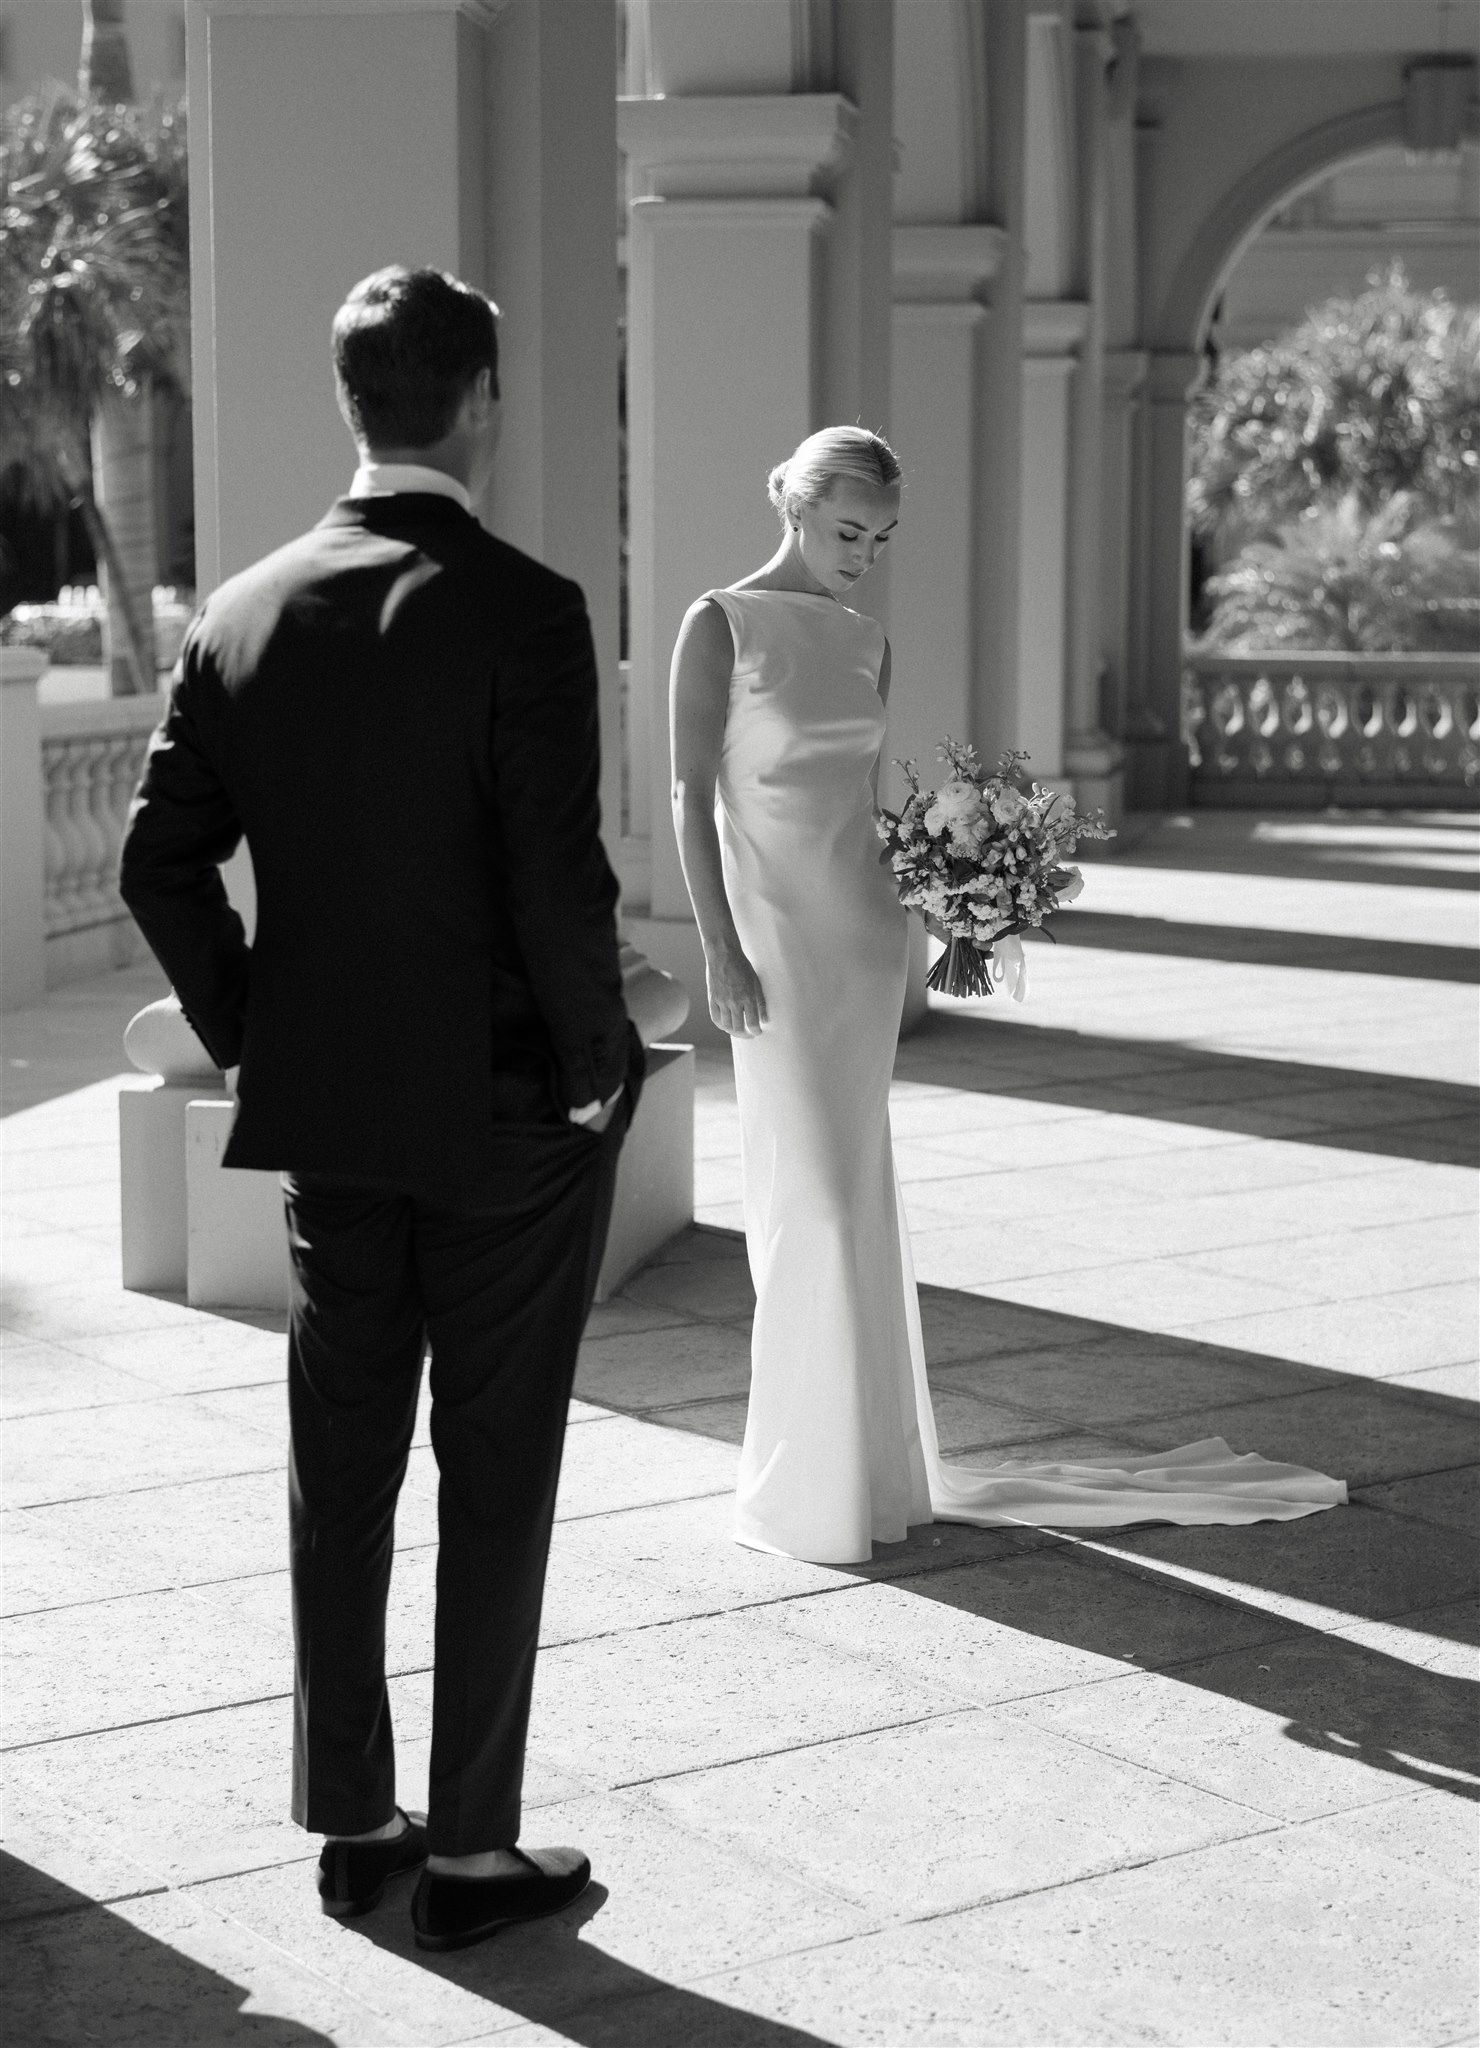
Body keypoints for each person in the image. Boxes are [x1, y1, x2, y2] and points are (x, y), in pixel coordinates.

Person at [120, 266, 643, 1951]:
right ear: (477, 401)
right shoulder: (528, 609)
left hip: (329, 1116)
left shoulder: (243, 611)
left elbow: (157, 858)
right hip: (502, 1121)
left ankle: (354, 1816)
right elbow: (556, 879)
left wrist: (256, 1030)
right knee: (498, 1471)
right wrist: (597, 1060)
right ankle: (475, 1851)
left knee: (339, 1466)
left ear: (354, 403)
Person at [668, 424, 1345, 1567]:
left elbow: (865, 804)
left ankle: (864, 1471)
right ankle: (806, 1483)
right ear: (791, 504)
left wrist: (951, 889)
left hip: (867, 941)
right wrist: (719, 950)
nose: (860, 556)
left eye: (879, 540)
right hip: (777, 948)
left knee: (853, 1201)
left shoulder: (865, 639)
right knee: (811, 1204)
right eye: (845, 532)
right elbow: (691, 797)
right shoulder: (720, 624)